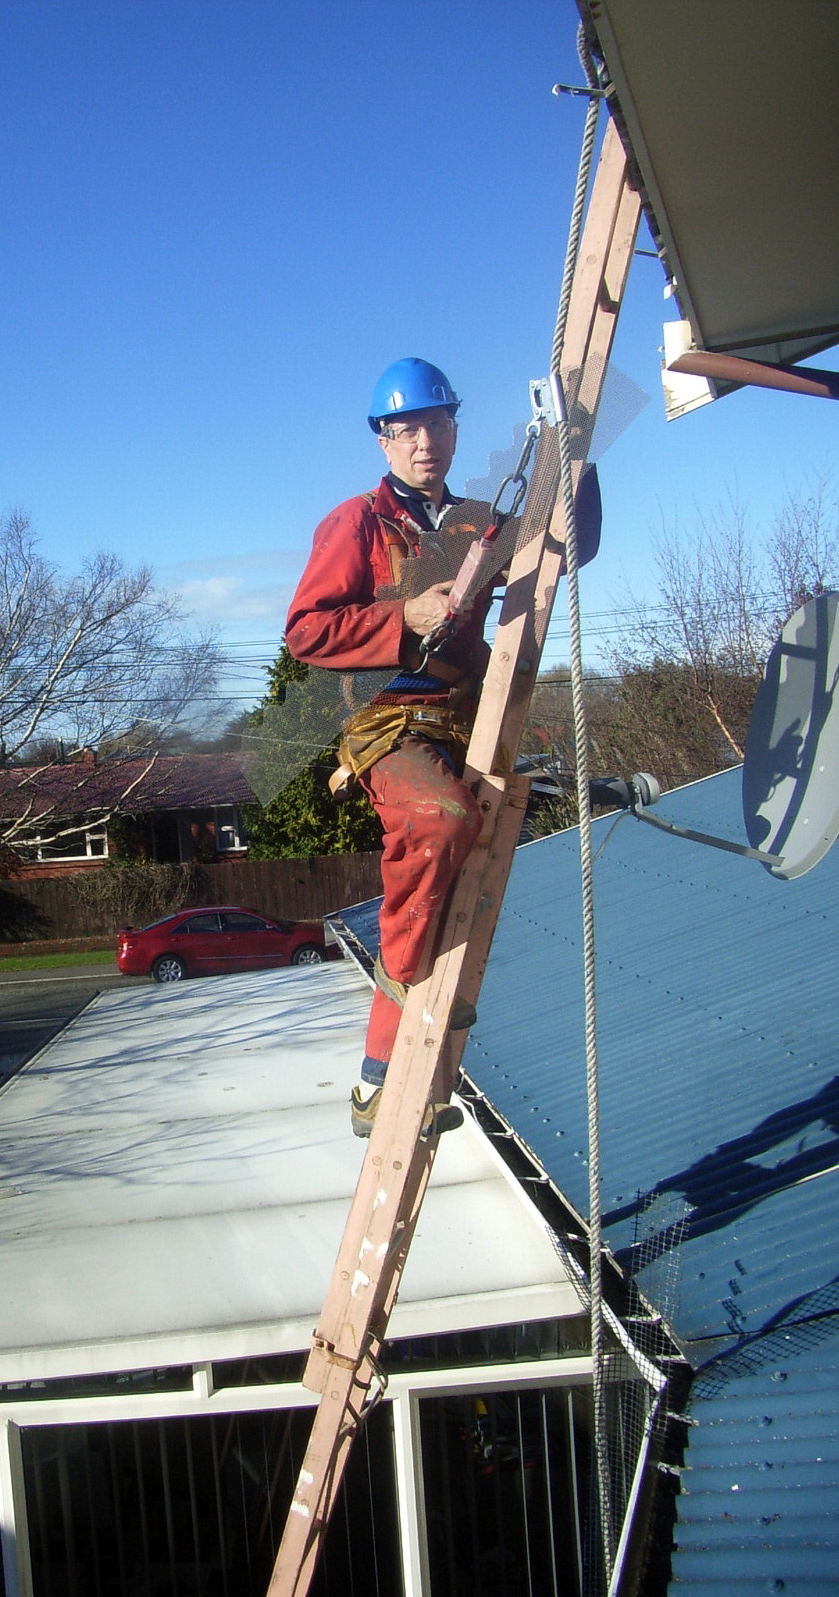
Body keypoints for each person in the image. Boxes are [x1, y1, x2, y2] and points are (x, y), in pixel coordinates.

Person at [285, 358, 501, 1136]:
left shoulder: (481, 520)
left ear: (454, 428)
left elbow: (560, 552)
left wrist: (572, 490)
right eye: (405, 429)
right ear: (382, 441)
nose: (423, 442)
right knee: (439, 824)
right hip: (391, 723)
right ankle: (387, 1050)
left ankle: (401, 1059)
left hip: (468, 718)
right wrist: (404, 616)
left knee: (477, 851)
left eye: (436, 424)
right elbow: (306, 631)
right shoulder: (357, 524)